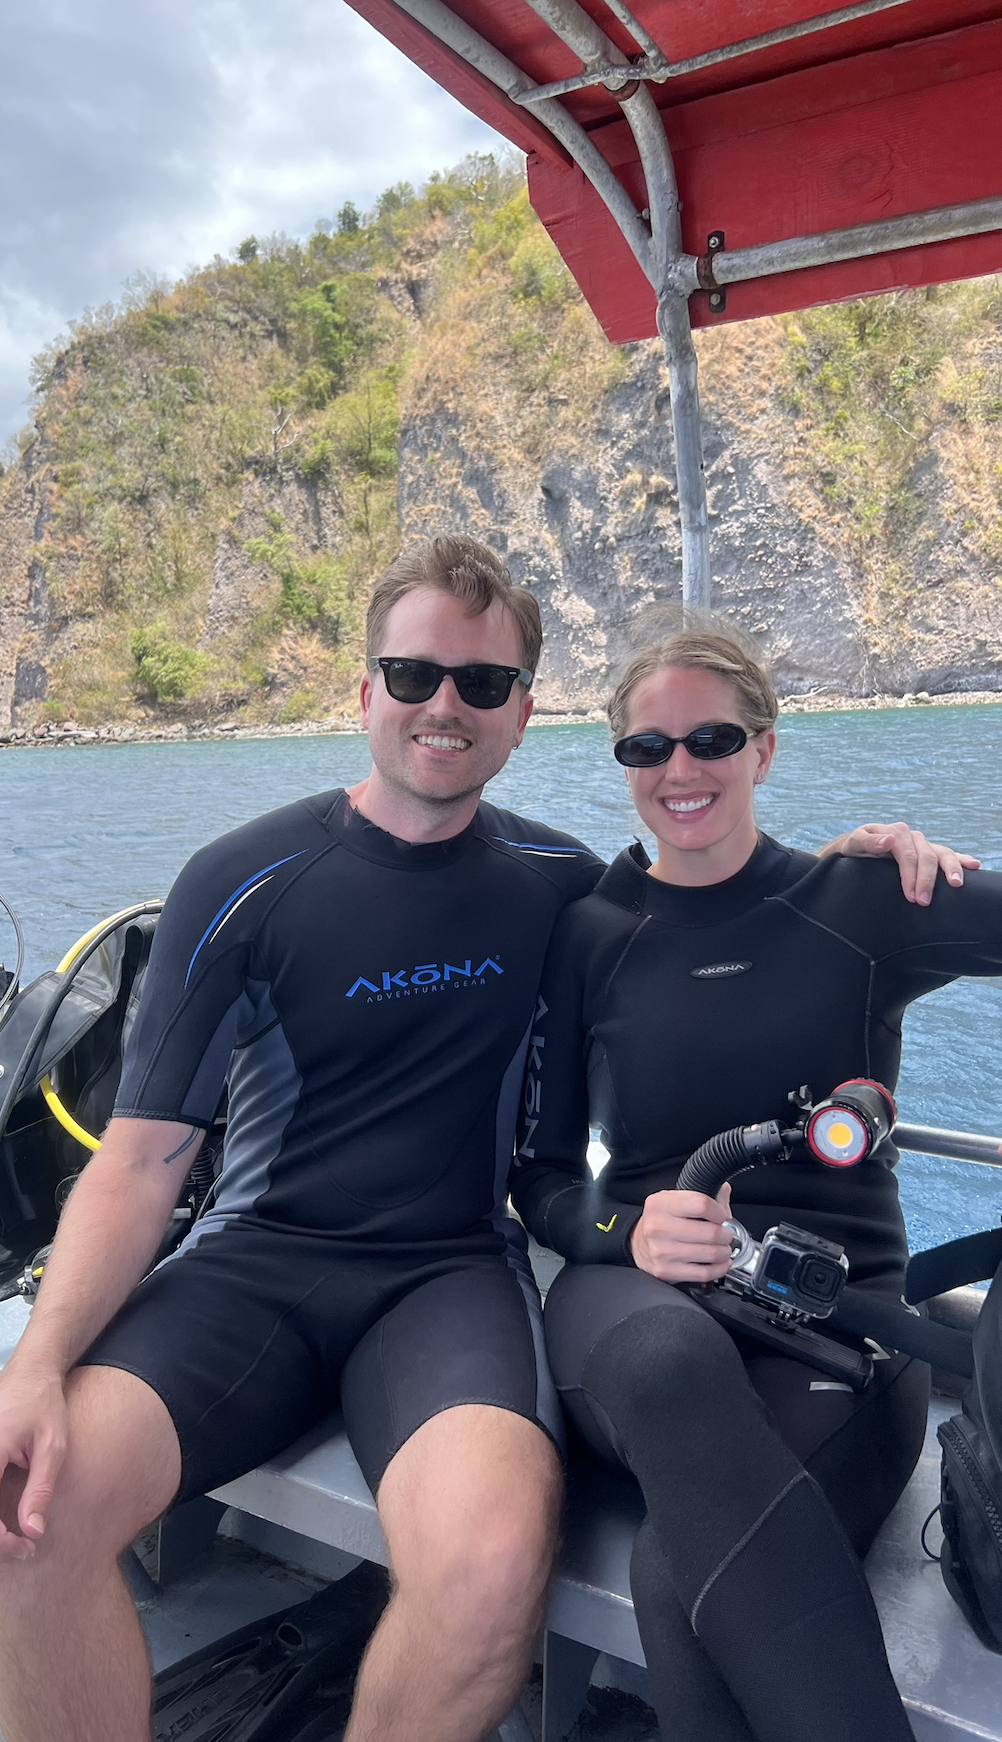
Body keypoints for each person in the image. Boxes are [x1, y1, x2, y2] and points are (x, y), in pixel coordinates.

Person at [0, 539, 969, 1742]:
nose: (444, 706)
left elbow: (706, 898)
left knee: (490, 1568)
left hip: (445, 1277)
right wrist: (36, 1365)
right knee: (24, 1517)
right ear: (364, 694)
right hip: (250, 1267)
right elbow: (139, 1158)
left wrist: (859, 868)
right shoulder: (242, 881)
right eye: (413, 675)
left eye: (483, 683)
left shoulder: (560, 886)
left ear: (523, 717)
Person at [511, 618, 1001, 1742]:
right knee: (668, 1354)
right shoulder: (593, 931)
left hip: (836, 1318)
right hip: (631, 1304)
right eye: (648, 748)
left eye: (712, 738)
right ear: (623, 764)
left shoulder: (868, 899)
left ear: (766, 749)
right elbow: (539, 1178)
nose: (680, 770)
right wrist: (630, 1227)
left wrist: (933, 855)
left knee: (678, 1583)